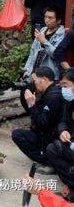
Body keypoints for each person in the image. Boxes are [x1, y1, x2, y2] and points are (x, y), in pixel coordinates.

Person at [12, 66, 64, 174]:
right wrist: (25, 93)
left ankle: (50, 162)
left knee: (18, 135)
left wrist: (32, 103)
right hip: (46, 134)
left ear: (44, 79)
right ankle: (48, 157)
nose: (32, 83)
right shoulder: (48, 92)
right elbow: (30, 111)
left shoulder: (53, 97)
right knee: (18, 134)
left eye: (34, 80)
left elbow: (42, 124)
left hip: (52, 139)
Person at [45, 68, 74, 201]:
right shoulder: (69, 101)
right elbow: (63, 120)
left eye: (65, 85)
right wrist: (63, 130)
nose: (63, 89)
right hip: (71, 142)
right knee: (52, 149)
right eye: (61, 85)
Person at [24, 7, 65, 81]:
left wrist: (44, 41)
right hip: (34, 72)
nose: (46, 20)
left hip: (49, 76)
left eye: (50, 18)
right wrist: (27, 70)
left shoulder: (62, 34)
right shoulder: (42, 30)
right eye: (45, 17)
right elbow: (32, 52)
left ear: (58, 20)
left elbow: (56, 55)